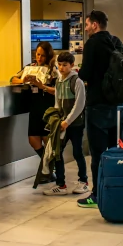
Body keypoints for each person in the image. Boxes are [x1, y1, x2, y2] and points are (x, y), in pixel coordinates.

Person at [77, 10, 123, 209]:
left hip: (97, 105)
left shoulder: (92, 44)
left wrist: (79, 72)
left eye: (87, 25)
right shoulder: (115, 42)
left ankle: (97, 194)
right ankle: (114, 188)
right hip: (115, 105)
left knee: (97, 153)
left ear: (95, 24)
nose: (86, 28)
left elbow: (85, 73)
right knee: (113, 149)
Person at [42, 51, 89, 196]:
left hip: (75, 124)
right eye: (59, 65)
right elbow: (57, 102)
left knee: (77, 151)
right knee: (58, 152)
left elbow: (79, 104)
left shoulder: (77, 81)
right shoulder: (58, 81)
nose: (61, 68)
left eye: (65, 65)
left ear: (72, 65)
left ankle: (83, 181)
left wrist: (67, 121)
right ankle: (60, 184)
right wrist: (57, 119)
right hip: (61, 123)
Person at [11, 42, 59, 183]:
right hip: (34, 106)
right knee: (33, 138)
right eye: (38, 54)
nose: (39, 57)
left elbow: (57, 90)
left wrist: (42, 86)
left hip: (47, 106)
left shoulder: (53, 70)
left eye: (43, 55)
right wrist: (22, 79)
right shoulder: (30, 67)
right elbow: (13, 78)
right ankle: (48, 167)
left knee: (46, 138)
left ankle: (49, 170)